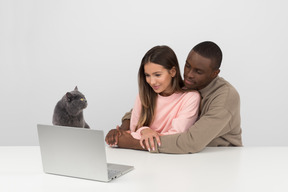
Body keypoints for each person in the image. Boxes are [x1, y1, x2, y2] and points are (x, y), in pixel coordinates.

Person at [105, 41, 243, 154]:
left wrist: (130, 142)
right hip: (182, 156)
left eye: (198, 71)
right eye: (187, 66)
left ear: (214, 73)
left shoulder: (225, 97)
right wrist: (123, 131)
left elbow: (191, 142)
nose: (188, 74)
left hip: (220, 155)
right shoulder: (190, 84)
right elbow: (144, 108)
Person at [106, 45, 201, 151]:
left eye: (157, 75)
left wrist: (133, 139)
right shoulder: (143, 96)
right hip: (140, 157)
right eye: (147, 75)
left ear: (173, 72)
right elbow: (133, 130)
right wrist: (144, 130)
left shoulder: (190, 98)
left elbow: (176, 136)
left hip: (172, 158)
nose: (152, 82)